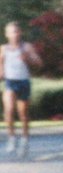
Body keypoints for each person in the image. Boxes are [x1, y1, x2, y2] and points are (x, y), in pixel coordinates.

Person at [1, 21, 42, 160]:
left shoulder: (27, 47)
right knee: (9, 110)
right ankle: (12, 138)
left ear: (20, 33)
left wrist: (28, 59)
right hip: (10, 83)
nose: (15, 34)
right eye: (12, 32)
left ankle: (24, 140)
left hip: (24, 82)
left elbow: (38, 63)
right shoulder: (3, 49)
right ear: (6, 34)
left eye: (17, 31)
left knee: (23, 114)